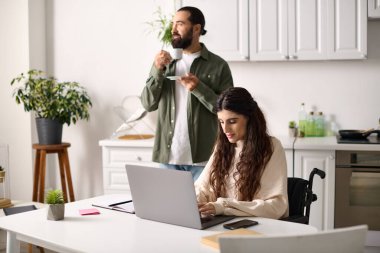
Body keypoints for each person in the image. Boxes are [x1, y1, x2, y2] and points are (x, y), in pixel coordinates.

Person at [141, 6, 233, 180]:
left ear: (196, 28)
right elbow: (148, 104)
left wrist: (198, 88)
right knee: (167, 208)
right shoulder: (164, 64)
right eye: (173, 24)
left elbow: (227, 111)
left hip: (204, 161)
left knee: (202, 208)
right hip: (168, 159)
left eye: (180, 24)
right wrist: (156, 69)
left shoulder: (218, 65)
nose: (173, 30)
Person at [196, 87, 289, 219]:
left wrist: (223, 207)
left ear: (249, 118)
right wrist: (193, 201)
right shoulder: (222, 147)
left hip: (257, 226)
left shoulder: (272, 147)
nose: (225, 129)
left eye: (232, 121)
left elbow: (276, 206)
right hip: (223, 222)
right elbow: (203, 187)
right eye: (221, 122)